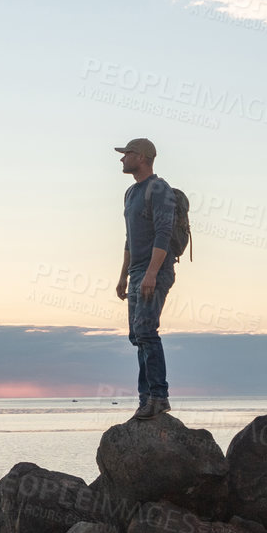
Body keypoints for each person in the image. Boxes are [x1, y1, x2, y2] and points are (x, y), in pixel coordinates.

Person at [114, 137, 173, 420]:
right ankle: (145, 399)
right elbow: (129, 239)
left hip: (155, 270)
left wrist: (151, 273)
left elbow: (163, 233)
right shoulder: (129, 193)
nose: (122, 159)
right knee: (137, 335)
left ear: (141, 156)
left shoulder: (159, 188)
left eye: (126, 154)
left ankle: (158, 398)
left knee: (147, 332)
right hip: (136, 271)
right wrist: (122, 276)